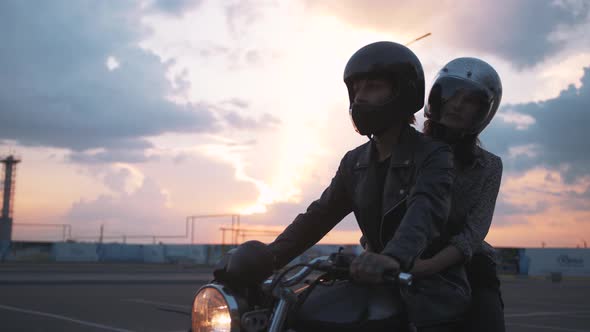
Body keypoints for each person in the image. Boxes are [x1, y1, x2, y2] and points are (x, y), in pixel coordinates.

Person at [266, 41, 470, 331]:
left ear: (403, 91)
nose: (360, 98)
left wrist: (392, 258)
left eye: (372, 87)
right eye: (356, 89)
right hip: (373, 280)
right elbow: (318, 216)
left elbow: (425, 211)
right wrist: (268, 256)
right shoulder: (355, 162)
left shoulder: (434, 155)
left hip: (427, 289)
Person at [412, 57, 505, 331]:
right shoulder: (407, 149)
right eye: (452, 94)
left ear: (484, 111)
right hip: (401, 252)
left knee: (488, 319)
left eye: (470, 100)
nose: (456, 104)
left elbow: (474, 233)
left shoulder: (489, 166)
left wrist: (429, 267)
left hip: (467, 262)